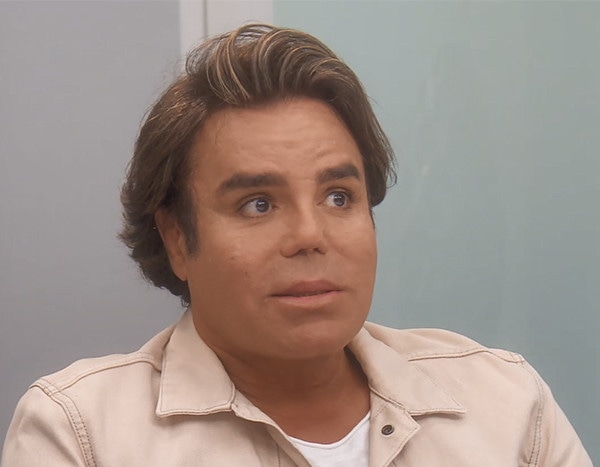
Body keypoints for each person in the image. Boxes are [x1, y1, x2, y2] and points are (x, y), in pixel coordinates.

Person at [1, 24, 591, 467]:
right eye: (257, 204)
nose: (311, 236)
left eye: (338, 197)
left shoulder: (505, 405)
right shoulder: (83, 434)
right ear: (177, 238)